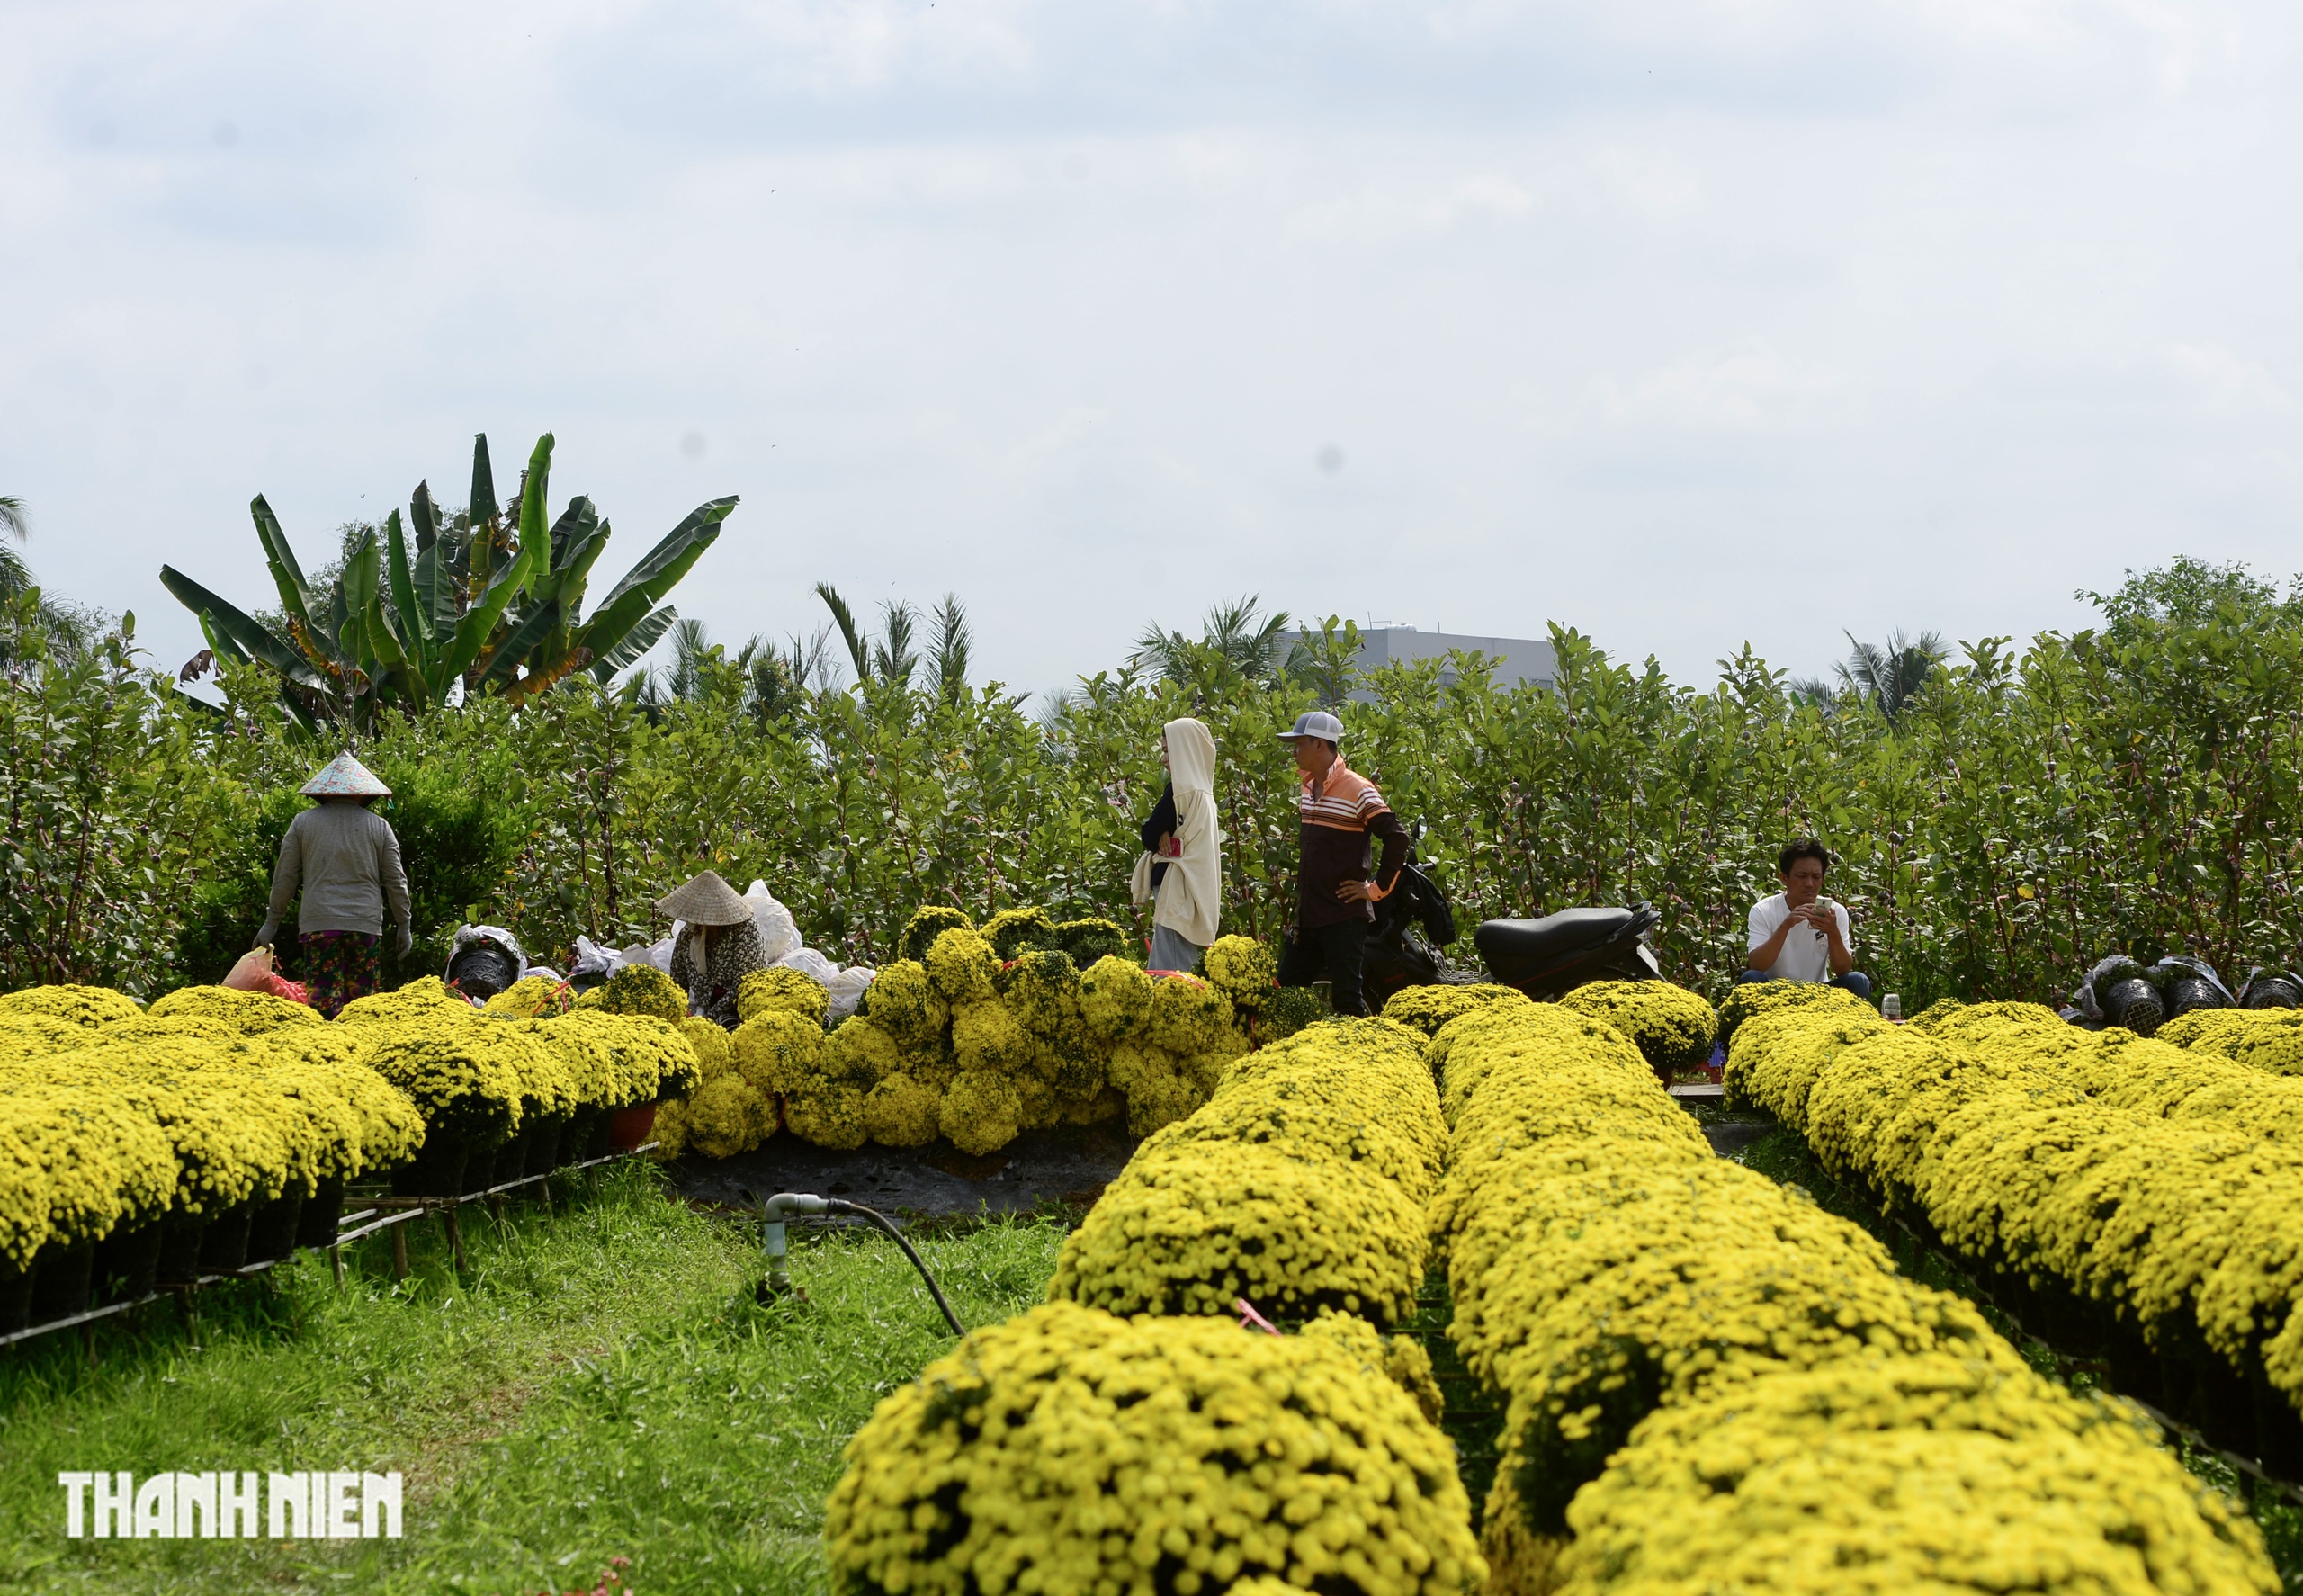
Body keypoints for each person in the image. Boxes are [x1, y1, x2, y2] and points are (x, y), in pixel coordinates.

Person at [255, 751, 414, 1019]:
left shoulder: (303, 823)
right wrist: (404, 924)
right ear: (364, 794)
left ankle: (325, 1058)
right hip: (364, 926)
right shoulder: (380, 826)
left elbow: (286, 876)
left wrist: (272, 921)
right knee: (361, 1013)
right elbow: (396, 880)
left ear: (324, 792)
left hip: (319, 926)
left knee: (323, 1011)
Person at [1273, 709, 1411, 1017]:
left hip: (1343, 916)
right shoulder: (1307, 788)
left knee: (1348, 1002)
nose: (1294, 751)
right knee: (1282, 996)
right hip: (1308, 916)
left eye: (1299, 744)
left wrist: (1375, 889)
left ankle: (1357, 1063)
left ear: (1320, 744)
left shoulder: (1359, 789)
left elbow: (1397, 838)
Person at [1132, 718, 1224, 973]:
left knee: (1172, 971)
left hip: (1177, 890)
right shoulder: (1205, 794)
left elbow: (1149, 835)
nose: (1164, 760)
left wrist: (1160, 832)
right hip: (1194, 890)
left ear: (1183, 750)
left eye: (1167, 751)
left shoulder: (1180, 792)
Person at [1740, 838, 1871, 1000]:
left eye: (1816, 877)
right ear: (1784, 878)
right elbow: (1756, 965)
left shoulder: (1835, 912)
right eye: (1801, 876)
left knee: (1858, 980)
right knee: (1750, 978)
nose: (1809, 884)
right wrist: (1786, 925)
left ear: (1823, 880)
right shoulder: (1763, 910)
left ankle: (1854, 1025)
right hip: (1774, 993)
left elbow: (1843, 970)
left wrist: (1832, 931)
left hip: (1818, 993)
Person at [660, 869, 767, 1027]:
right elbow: (677, 981)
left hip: (738, 1009)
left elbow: (744, 986)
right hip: (705, 1009)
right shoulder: (689, 935)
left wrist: (708, 1019)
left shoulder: (745, 931)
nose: (697, 926)